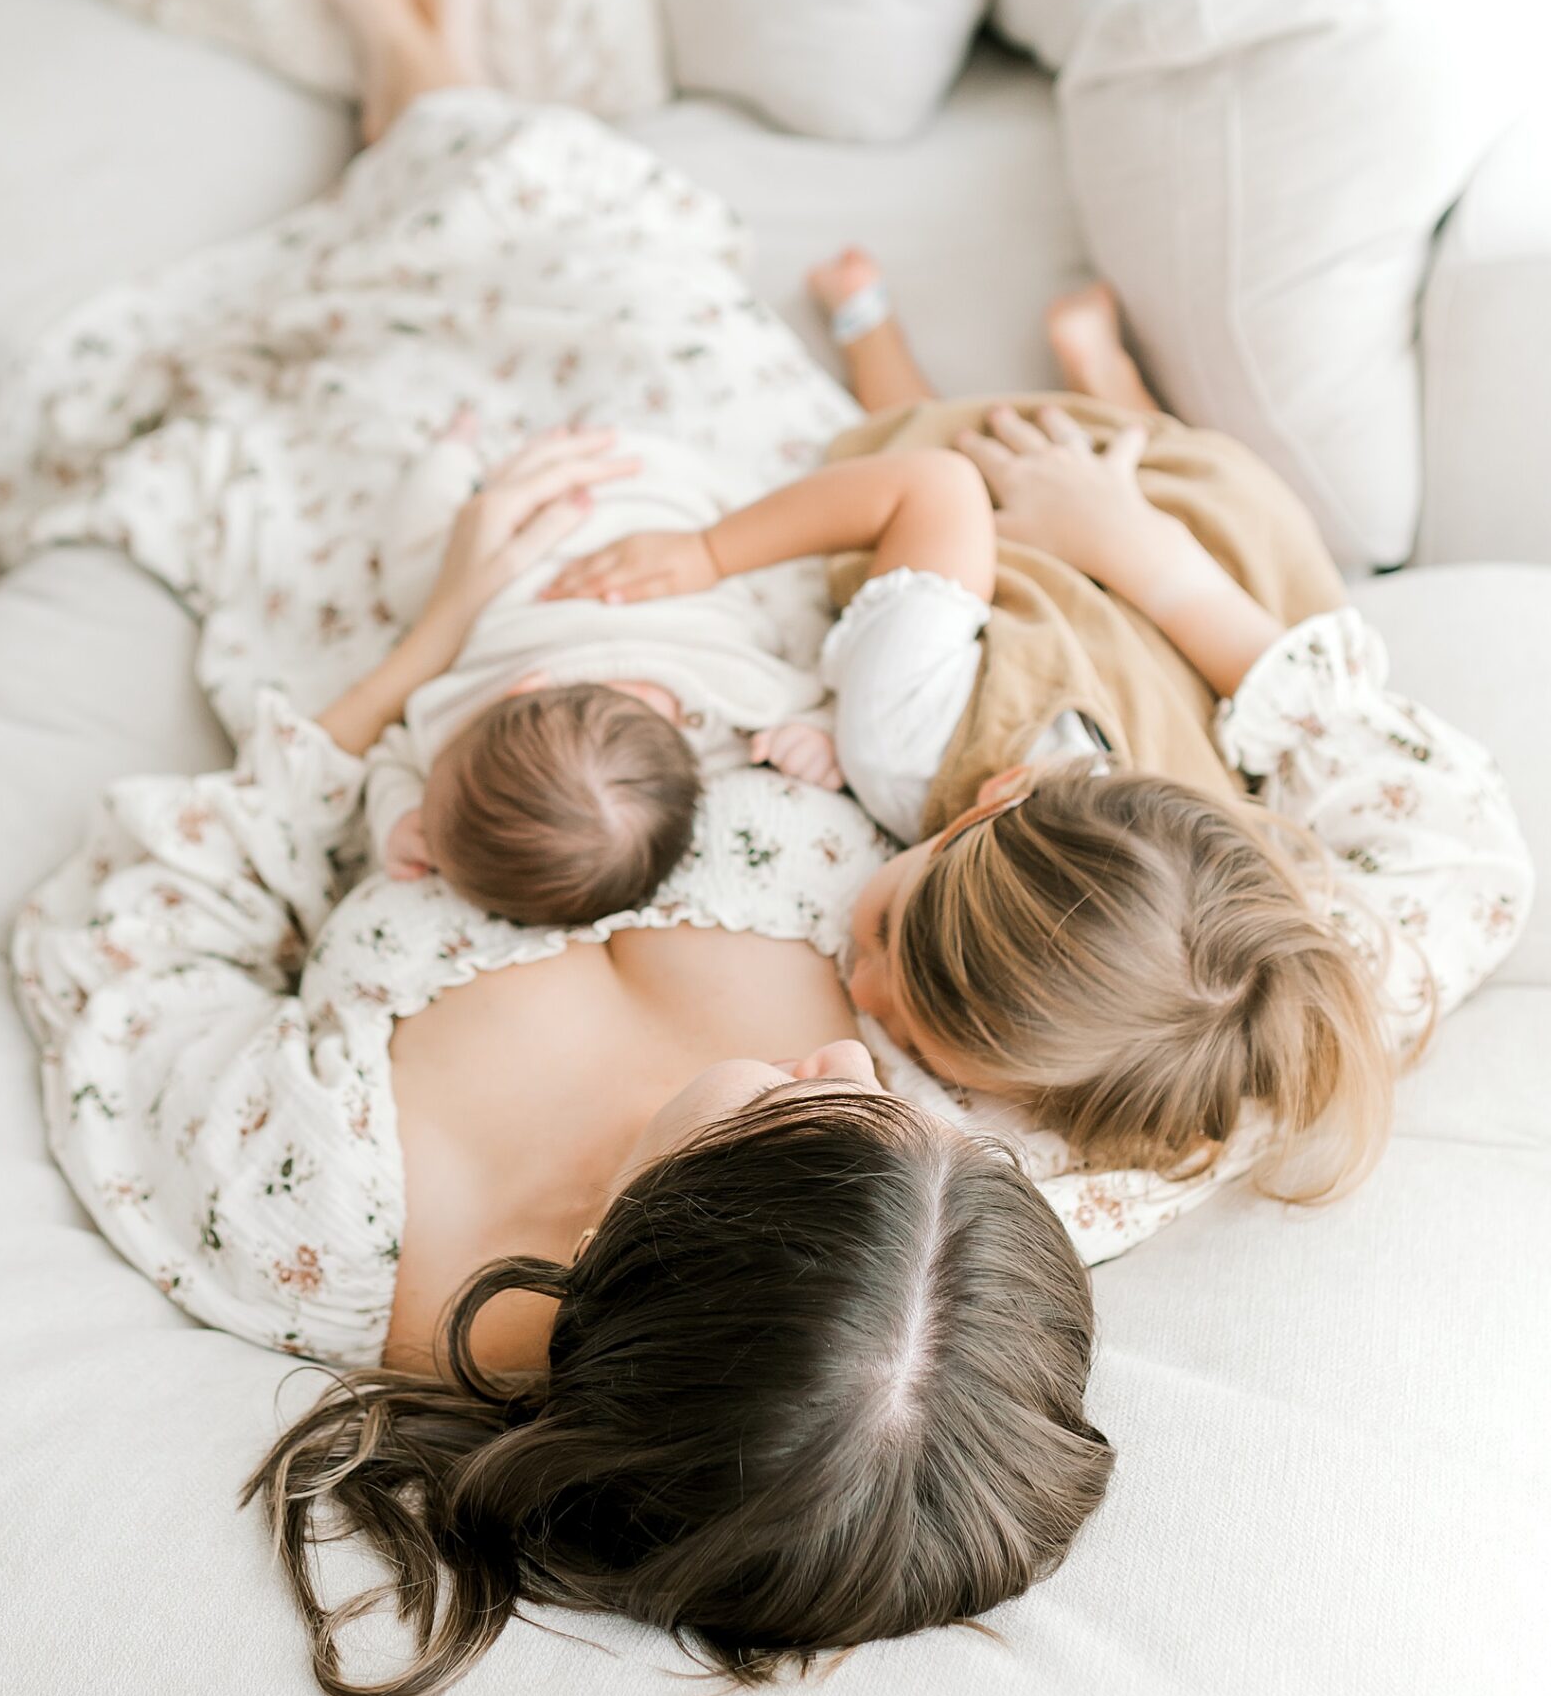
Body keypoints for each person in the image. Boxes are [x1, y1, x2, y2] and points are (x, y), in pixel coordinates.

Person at [13, 0, 1115, 1696]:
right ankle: (429, 79)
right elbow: (1323, 938)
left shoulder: (318, 1215)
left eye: (805, 1114)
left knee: (370, 381)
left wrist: (433, 631)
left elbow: (142, 914)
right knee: (611, 264)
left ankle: (409, 78)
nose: (866, 1072)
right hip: (728, 542)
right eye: (920, 1123)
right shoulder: (946, 1238)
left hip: (404, 619)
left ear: (654, 1256)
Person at [544, 254, 1533, 1207]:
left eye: (930, 1052)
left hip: (1132, 638)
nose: (868, 997)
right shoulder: (904, 737)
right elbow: (931, 486)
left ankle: (1116, 397)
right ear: (993, 794)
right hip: (1057, 528)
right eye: (886, 930)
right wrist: (705, 551)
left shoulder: (1203, 1019)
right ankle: (892, 337)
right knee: (904, 431)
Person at [360, 418, 843, 929]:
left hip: (670, 492)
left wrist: (811, 732)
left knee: (788, 596)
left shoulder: (741, 708)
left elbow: (391, 754)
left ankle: (449, 454)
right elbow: (394, 753)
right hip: (632, 493)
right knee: (414, 587)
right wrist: (821, 730)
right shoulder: (736, 693)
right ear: (524, 688)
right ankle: (449, 457)